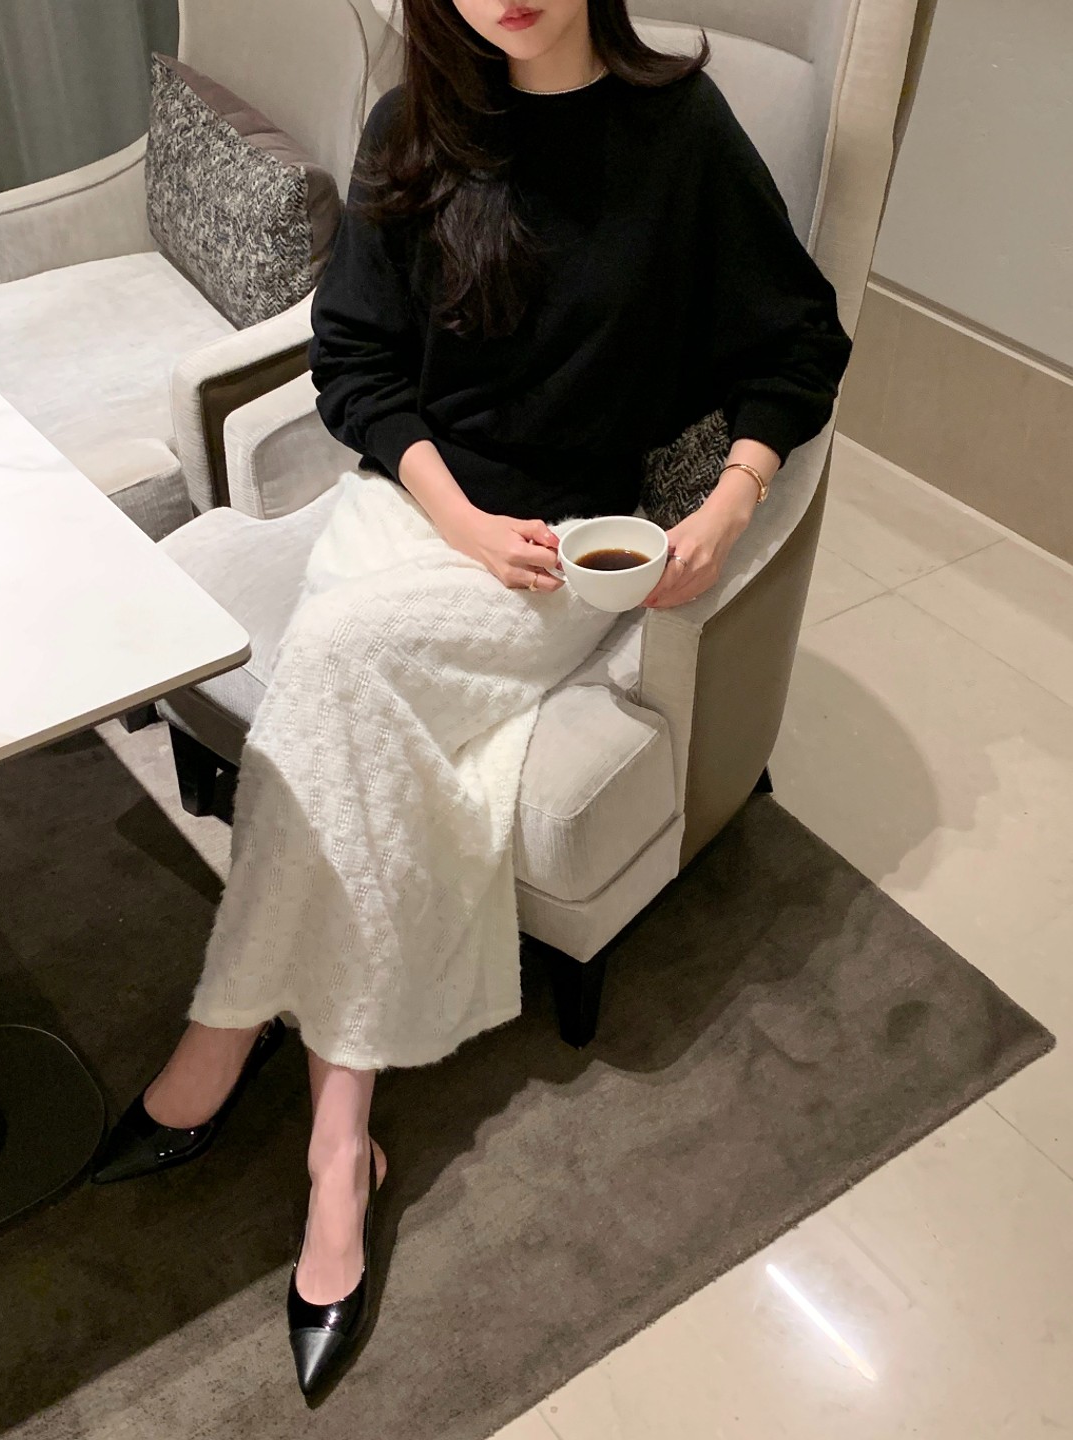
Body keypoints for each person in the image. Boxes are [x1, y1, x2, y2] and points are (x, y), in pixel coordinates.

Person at [92, 0, 852, 1402]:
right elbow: (355, 364)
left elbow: (799, 338)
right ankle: (339, 1135)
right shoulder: (416, 127)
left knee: (333, 668)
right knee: (354, 711)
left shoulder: (678, 133)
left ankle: (235, 1046)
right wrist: (453, 519)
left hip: (564, 558)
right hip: (417, 520)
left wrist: (731, 503)